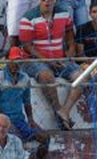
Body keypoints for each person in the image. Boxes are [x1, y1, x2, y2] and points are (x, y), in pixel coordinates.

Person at [0, 47, 51, 159]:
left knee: (45, 138)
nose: (16, 64)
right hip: (5, 122)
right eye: (14, 61)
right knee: (17, 142)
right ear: (8, 60)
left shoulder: (25, 78)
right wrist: (0, 121)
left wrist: (31, 120)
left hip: (20, 121)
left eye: (19, 61)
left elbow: (27, 101)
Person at [20, 0, 83, 130]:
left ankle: (64, 111)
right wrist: (48, 61)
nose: (47, 1)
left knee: (82, 76)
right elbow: (27, 46)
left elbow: (70, 34)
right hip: (35, 61)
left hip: (59, 59)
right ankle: (58, 109)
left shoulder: (64, 14)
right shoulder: (28, 17)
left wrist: (70, 51)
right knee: (46, 75)